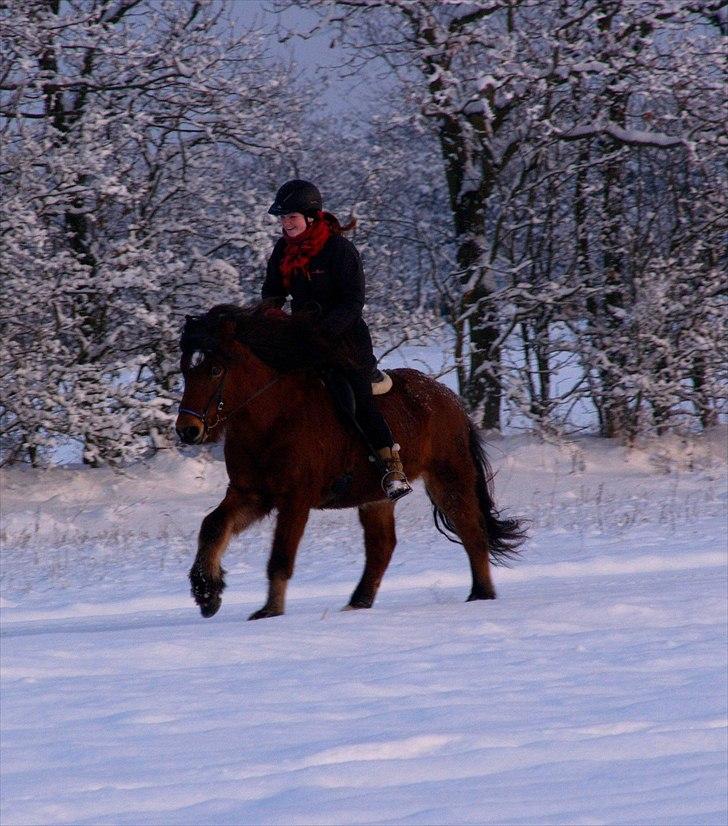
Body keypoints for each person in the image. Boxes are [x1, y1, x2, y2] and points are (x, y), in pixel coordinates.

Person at [262, 179, 412, 501]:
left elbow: (353, 300)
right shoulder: (281, 251)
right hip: (302, 338)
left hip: (345, 339)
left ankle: (390, 464)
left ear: (311, 218)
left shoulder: (339, 250)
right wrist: (269, 317)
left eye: (292, 218)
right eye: (283, 219)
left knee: (353, 394)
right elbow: (272, 293)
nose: (286, 225)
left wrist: (326, 330)